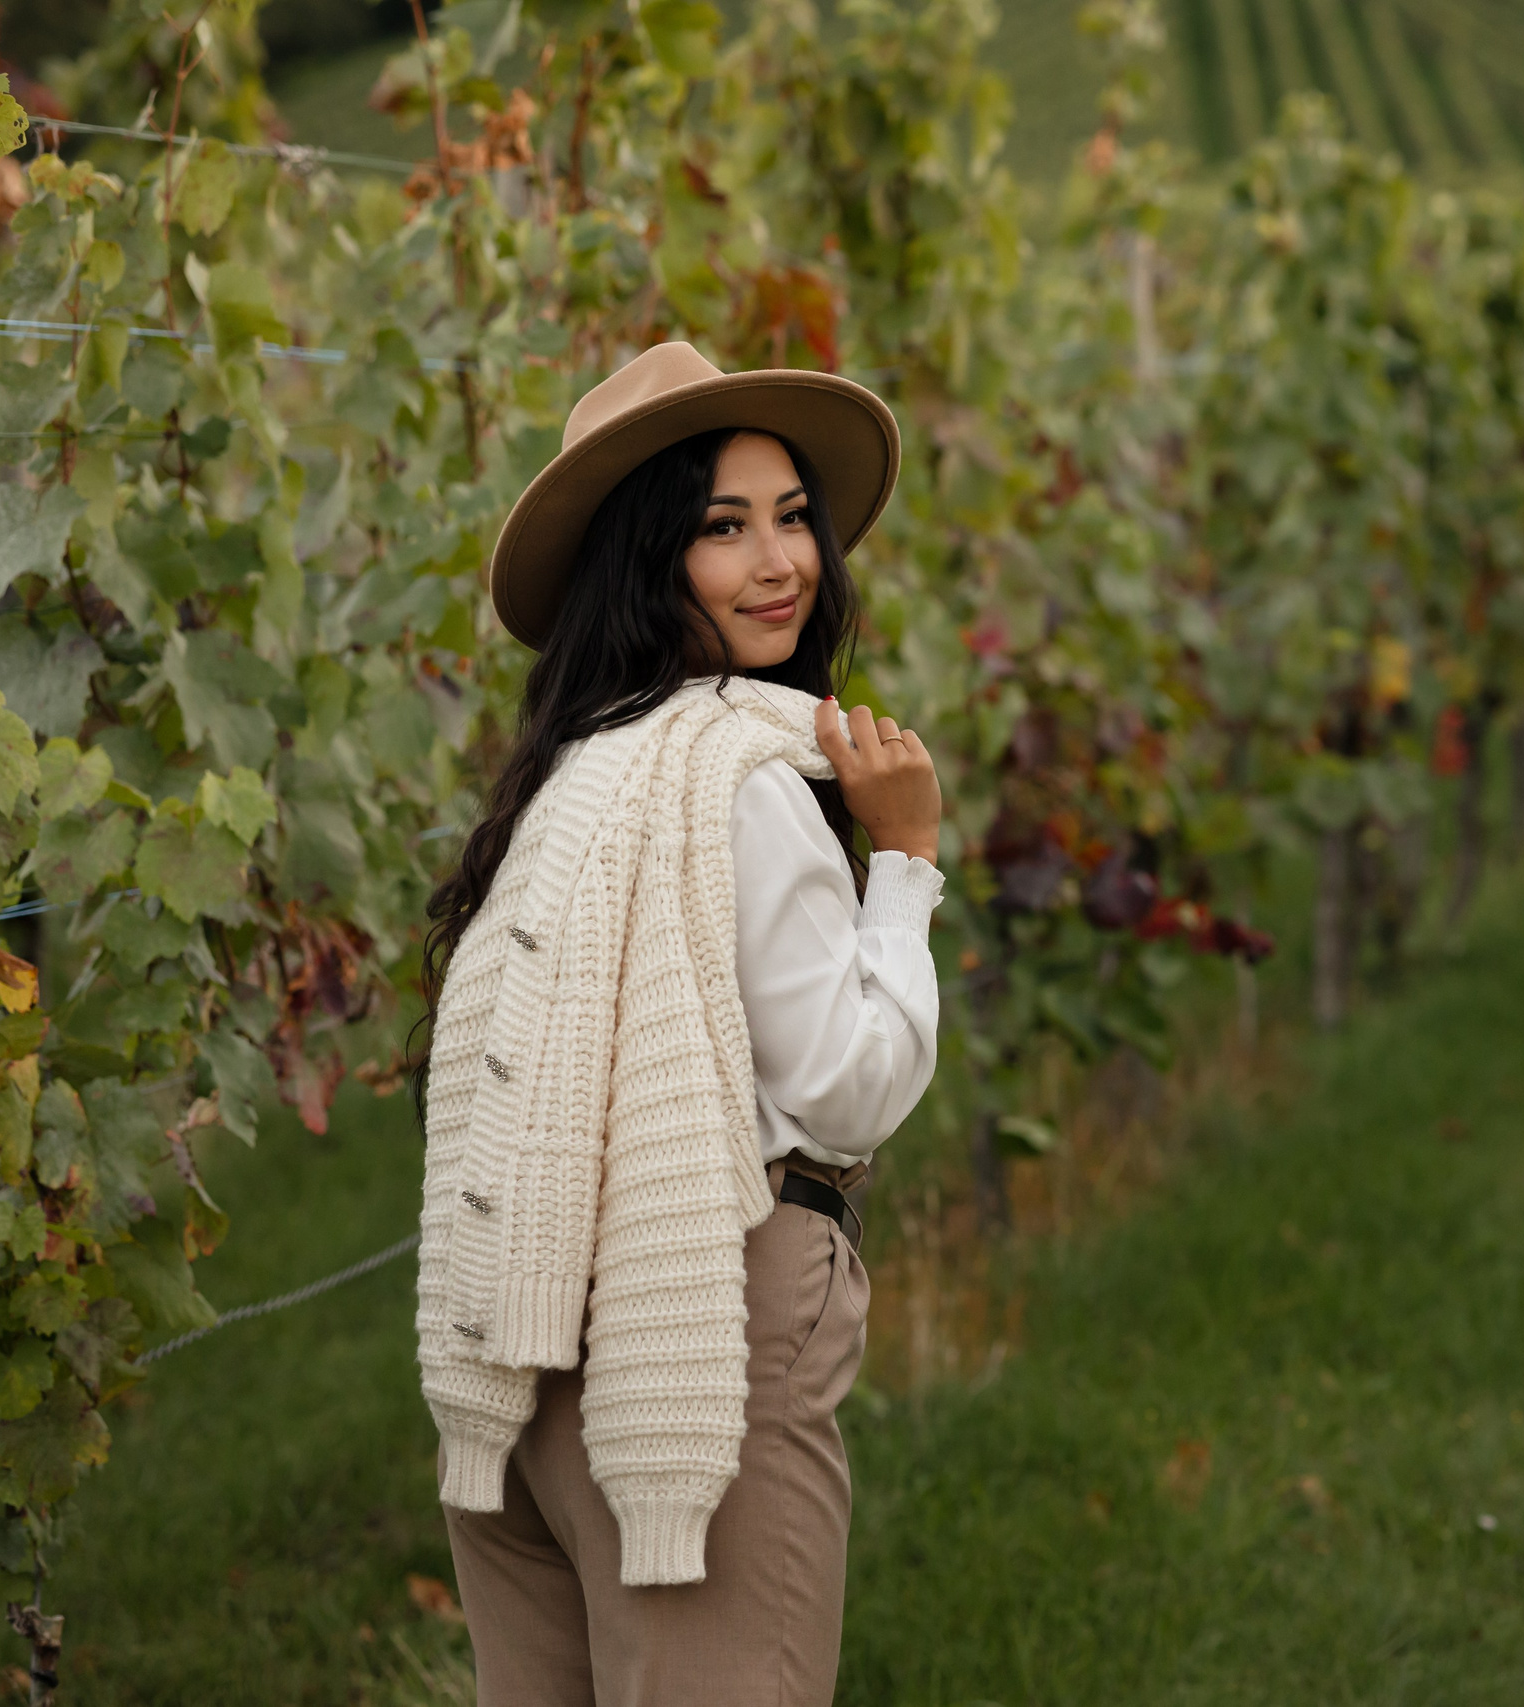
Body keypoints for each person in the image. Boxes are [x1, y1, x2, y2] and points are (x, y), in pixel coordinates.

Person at [412, 342, 943, 1706]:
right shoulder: (746, 779)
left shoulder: (574, 774)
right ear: (646, 562)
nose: (780, 561)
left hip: (536, 1317)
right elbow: (850, 1088)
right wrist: (906, 861)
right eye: (722, 528)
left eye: (790, 517)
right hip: (709, 1316)